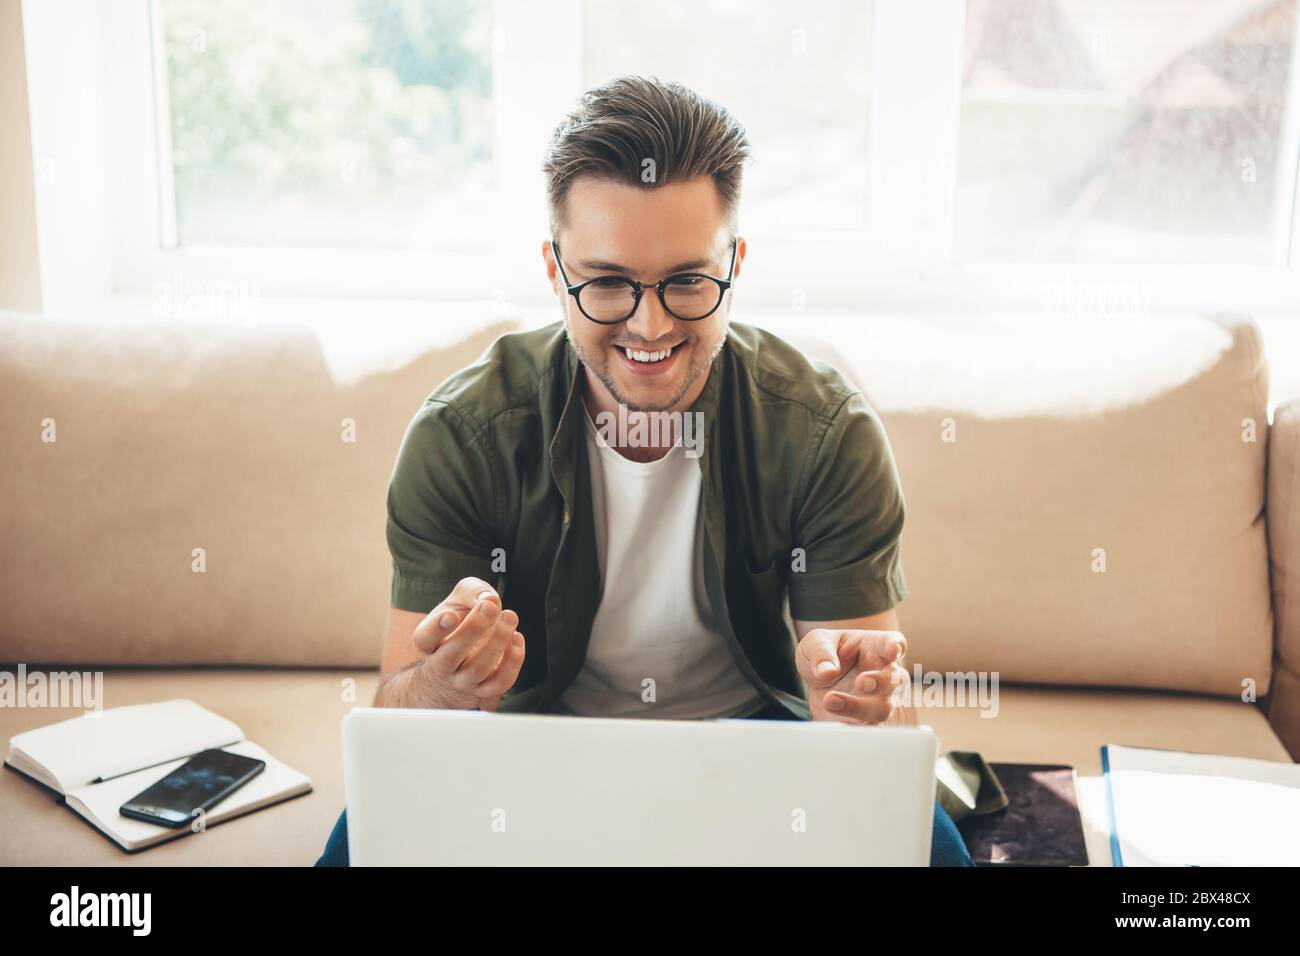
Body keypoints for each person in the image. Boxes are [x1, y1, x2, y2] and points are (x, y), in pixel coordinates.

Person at [318, 75, 972, 867]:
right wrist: (448, 684)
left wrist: (854, 703)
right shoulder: (464, 437)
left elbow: (878, 745)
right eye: (607, 282)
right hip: (536, 742)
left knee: (924, 849)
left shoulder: (826, 432)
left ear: (734, 263)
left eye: (687, 281)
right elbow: (396, 728)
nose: (650, 323)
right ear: (556, 272)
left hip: (760, 746)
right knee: (362, 847)